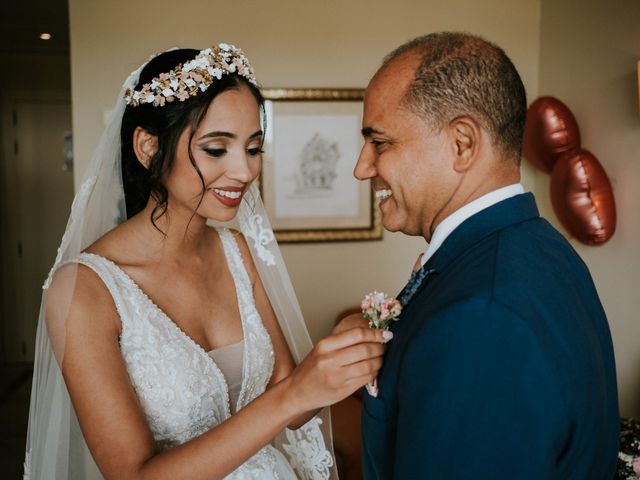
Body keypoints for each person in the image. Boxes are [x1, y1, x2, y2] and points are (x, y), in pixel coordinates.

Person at [24, 44, 389, 480]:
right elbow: (135, 475)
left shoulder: (238, 251)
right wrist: (294, 394)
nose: (243, 171)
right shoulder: (84, 290)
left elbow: (293, 407)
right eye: (217, 149)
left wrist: (339, 351)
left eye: (253, 149)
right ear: (147, 146)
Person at [350, 32, 619, 478]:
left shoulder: (482, 315)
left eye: (380, 142)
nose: (362, 167)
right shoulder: (544, 248)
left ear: (462, 144)